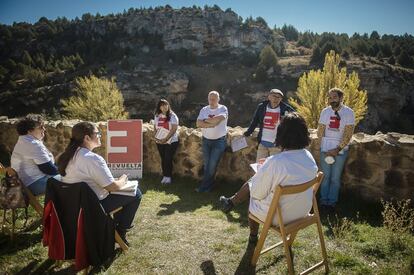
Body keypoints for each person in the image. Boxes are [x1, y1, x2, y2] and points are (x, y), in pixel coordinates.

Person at [219, 113, 318, 244]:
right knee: (259, 184)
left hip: (281, 217)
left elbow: (256, 194)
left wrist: (262, 173)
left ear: (282, 134)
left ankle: (253, 237)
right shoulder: (308, 156)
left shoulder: (276, 162)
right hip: (303, 211)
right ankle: (231, 202)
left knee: (253, 197)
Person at [57, 121, 142, 245]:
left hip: (72, 206)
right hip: (91, 207)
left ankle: (117, 229)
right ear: (86, 138)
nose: (100, 136)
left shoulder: (67, 155)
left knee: (122, 194)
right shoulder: (92, 158)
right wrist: (122, 180)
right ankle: (120, 231)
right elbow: (112, 187)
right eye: (97, 133)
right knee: (136, 193)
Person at [317, 88, 355, 210]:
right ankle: (323, 201)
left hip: (340, 150)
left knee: (335, 178)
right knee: (325, 176)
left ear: (341, 98)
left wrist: (337, 149)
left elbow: (348, 134)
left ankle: (332, 202)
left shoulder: (349, 112)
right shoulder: (325, 112)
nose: (331, 100)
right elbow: (320, 131)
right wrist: (322, 147)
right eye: (329, 97)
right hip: (325, 149)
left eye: (334, 97)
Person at [11, 114, 59, 195]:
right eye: (40, 127)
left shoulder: (24, 140)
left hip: (25, 183)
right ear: (29, 131)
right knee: (75, 180)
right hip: (34, 184)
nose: (44, 129)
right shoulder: (33, 144)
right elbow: (48, 169)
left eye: (43, 126)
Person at [244, 88, 295, 162]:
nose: (276, 99)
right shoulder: (262, 107)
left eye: (278, 97)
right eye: (274, 96)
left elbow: (296, 119)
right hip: (263, 143)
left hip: (276, 145)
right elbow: (255, 121)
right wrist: (248, 132)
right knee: (259, 167)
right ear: (269, 97)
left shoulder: (285, 109)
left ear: (281, 99)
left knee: (275, 168)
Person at [196, 91, 228, 192]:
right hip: (206, 140)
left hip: (219, 141)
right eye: (210, 99)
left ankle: (204, 187)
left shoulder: (223, 108)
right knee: (207, 164)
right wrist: (211, 123)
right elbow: (198, 123)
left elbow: (220, 119)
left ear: (218, 99)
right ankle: (208, 186)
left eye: (214, 99)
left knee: (212, 165)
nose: (212, 101)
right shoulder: (204, 109)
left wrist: (205, 121)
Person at [154, 99, 179, 184]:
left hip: (171, 141)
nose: (164, 107)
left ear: (168, 106)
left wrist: (166, 139)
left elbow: (174, 128)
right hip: (160, 141)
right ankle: (165, 176)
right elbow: (155, 127)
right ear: (159, 107)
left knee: (168, 158)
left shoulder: (173, 116)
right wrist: (157, 138)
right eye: (162, 105)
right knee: (163, 158)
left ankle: (168, 177)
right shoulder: (157, 116)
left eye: (165, 105)